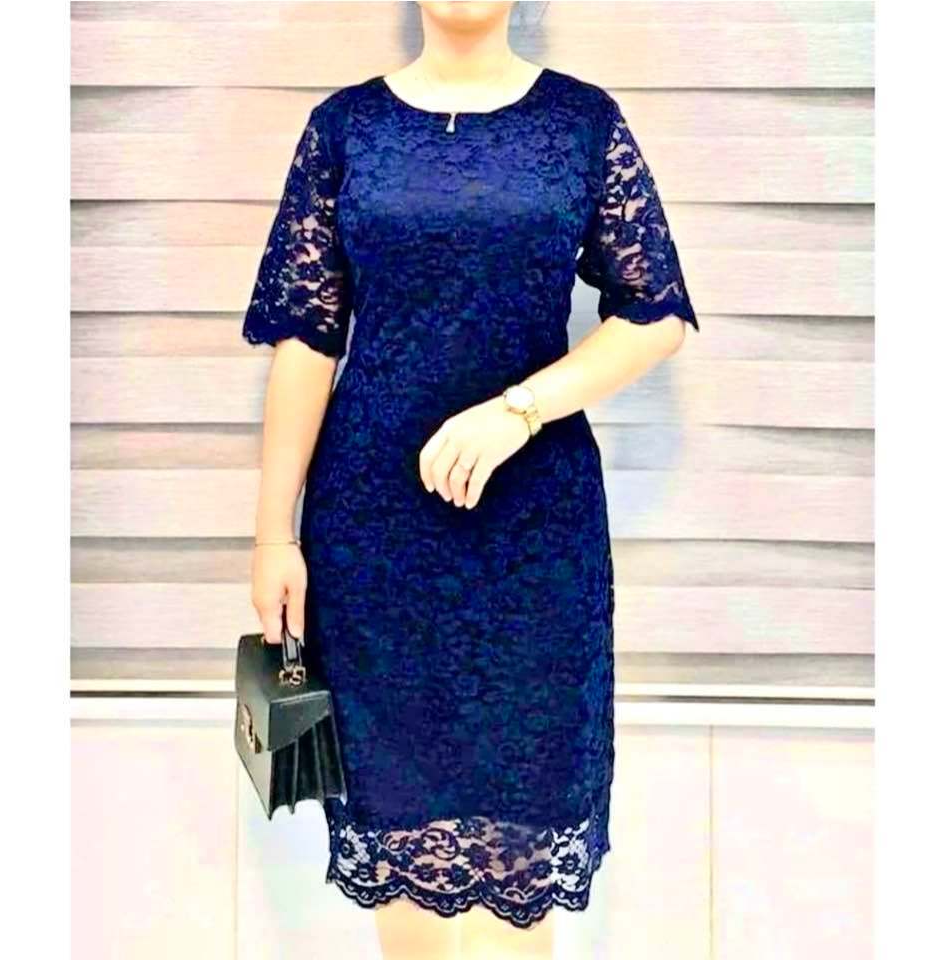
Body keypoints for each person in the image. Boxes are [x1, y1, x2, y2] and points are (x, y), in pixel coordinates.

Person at [242, 3, 699, 957]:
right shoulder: (345, 129)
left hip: (534, 537)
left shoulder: (581, 123)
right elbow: (306, 336)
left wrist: (520, 409)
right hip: (374, 540)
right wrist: (274, 534)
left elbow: (653, 312)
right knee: (401, 851)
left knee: (521, 852)